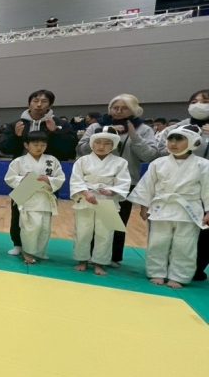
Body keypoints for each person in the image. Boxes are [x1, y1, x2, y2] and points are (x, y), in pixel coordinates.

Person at [76, 94, 158, 266]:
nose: (119, 111)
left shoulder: (143, 129)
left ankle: (110, 258)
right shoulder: (96, 126)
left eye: (124, 108)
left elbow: (149, 155)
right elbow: (81, 149)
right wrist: (103, 135)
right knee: (87, 224)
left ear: (134, 110)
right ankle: (86, 256)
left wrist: (134, 135)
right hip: (92, 185)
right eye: (115, 107)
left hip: (124, 182)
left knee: (115, 223)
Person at [128, 125, 209, 289]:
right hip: (161, 208)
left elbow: (207, 188)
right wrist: (143, 205)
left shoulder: (204, 165)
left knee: (185, 244)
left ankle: (179, 276)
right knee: (158, 241)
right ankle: (156, 272)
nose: (173, 143)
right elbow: (147, 185)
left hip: (188, 210)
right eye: (170, 139)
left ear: (193, 142)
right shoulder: (158, 163)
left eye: (179, 139)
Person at [0, 89, 77, 256]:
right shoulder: (17, 124)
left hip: (45, 176)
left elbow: (69, 150)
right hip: (24, 175)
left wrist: (56, 133)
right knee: (19, 213)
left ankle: (39, 249)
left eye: (44, 101)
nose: (39, 104)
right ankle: (18, 244)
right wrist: (16, 136)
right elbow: (4, 148)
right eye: (35, 100)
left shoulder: (59, 124)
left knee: (43, 216)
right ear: (29, 103)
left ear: (50, 105)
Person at [70, 127, 131, 276]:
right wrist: (86, 192)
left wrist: (112, 191)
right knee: (83, 231)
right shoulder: (82, 161)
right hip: (86, 199)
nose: (101, 146)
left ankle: (100, 262)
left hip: (108, 200)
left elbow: (124, 182)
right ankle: (82, 260)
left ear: (113, 145)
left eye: (107, 143)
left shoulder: (121, 162)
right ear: (92, 143)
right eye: (98, 142)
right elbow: (76, 180)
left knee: (106, 234)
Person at [163, 89, 209, 280]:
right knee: (172, 232)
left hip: (206, 188)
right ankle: (168, 266)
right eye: (194, 101)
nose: (198, 105)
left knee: (204, 232)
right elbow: (160, 150)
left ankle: (195, 268)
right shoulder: (179, 127)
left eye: (204, 101)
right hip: (181, 186)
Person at [4, 132, 65, 265]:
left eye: (43, 145)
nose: (39, 147)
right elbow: (9, 178)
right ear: (27, 145)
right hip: (27, 193)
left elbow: (60, 177)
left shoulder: (52, 160)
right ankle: (27, 252)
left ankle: (39, 252)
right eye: (36, 144)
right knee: (30, 226)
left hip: (45, 196)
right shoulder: (19, 161)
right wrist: (23, 178)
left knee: (44, 227)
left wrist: (48, 179)